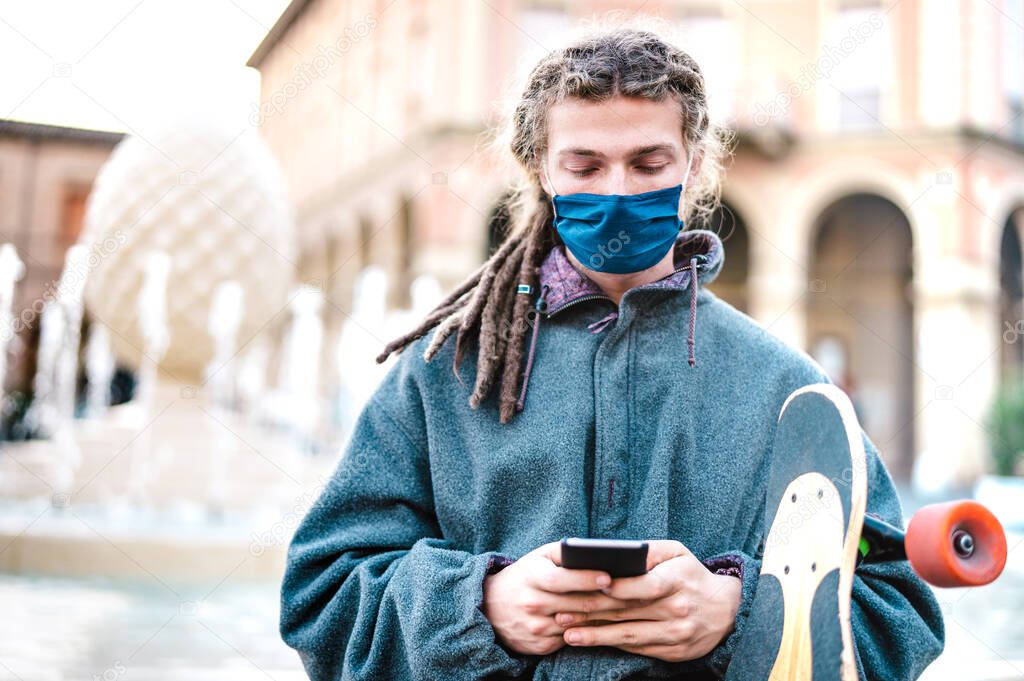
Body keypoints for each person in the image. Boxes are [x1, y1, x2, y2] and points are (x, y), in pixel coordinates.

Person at [279, 23, 944, 681]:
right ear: (540, 167)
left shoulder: (787, 388)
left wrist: (739, 615)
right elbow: (322, 596)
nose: (619, 191)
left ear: (695, 164)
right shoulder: (443, 372)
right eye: (585, 165)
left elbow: (898, 607)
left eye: (649, 163)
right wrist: (479, 606)